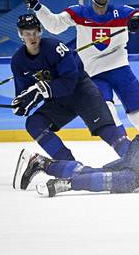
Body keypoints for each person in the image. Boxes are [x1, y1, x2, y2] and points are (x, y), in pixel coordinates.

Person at [19, 0, 139, 139]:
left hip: (120, 69)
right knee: (108, 112)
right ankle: (128, 151)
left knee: (138, 116)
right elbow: (54, 25)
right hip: (94, 74)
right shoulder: (80, 12)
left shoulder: (122, 11)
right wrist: (36, 6)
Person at [11, 14, 130, 162]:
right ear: (20, 35)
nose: (32, 37)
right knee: (34, 124)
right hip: (59, 102)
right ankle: (69, 166)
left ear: (40, 31)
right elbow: (26, 93)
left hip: (82, 92)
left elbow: (69, 81)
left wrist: (40, 90)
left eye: (35, 32)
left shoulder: (55, 47)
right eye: (27, 34)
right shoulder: (18, 61)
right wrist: (22, 105)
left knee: (107, 131)